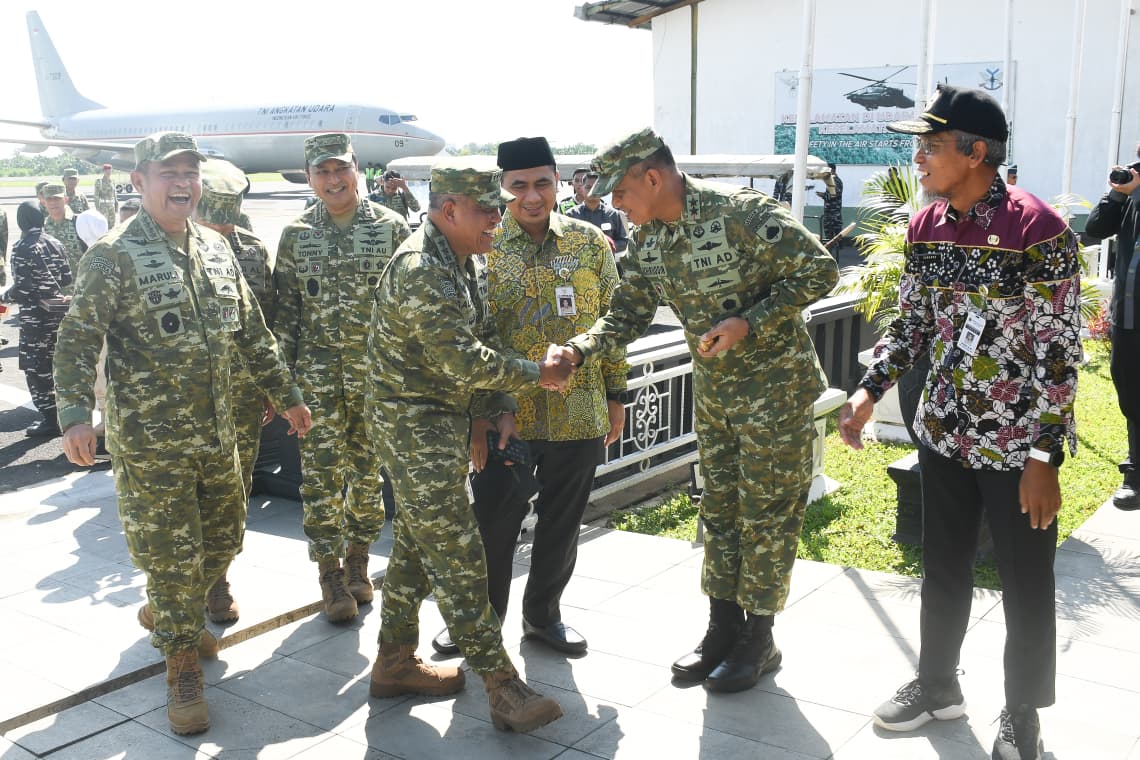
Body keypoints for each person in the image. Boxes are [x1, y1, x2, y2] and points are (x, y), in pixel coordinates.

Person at [836, 84, 1081, 760]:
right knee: (942, 566)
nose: (919, 157)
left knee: (1025, 581)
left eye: (932, 145)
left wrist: (1044, 457)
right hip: (944, 429)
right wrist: (868, 391)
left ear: (975, 153)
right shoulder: (926, 226)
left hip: (1017, 444)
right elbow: (913, 323)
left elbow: (1060, 352)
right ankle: (938, 685)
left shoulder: (1039, 231)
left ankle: (1023, 713)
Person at [555, 127, 838, 694]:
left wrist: (749, 322)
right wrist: (578, 350)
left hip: (775, 392)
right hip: (716, 396)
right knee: (720, 510)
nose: (613, 204)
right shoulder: (649, 238)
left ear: (652, 177)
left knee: (766, 514)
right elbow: (628, 312)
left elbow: (820, 270)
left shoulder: (740, 213)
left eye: (619, 191)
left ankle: (759, 639)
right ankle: (722, 628)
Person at [52, 131, 312, 736]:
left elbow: (252, 332)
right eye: (167, 173)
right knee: (172, 556)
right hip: (153, 444)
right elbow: (77, 337)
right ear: (139, 182)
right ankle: (181, 664)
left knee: (224, 540)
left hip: (221, 434)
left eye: (190, 172)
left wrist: (287, 393)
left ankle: (171, 613)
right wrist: (74, 415)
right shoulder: (113, 255)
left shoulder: (217, 249)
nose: (182, 184)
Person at [366, 156, 570, 733]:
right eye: (487, 211)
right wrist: (536, 375)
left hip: (442, 416)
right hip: (410, 424)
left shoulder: (465, 259)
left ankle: (394, 660)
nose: (498, 221)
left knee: (417, 541)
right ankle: (502, 686)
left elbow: (483, 334)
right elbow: (461, 358)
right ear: (450, 209)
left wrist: (497, 407)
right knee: (458, 552)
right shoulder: (421, 268)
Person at [429, 137, 627, 659]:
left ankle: (543, 617)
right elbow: (469, 338)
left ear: (559, 182)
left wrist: (616, 394)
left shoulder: (589, 243)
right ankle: (480, 622)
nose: (532, 196)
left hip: (579, 412)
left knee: (562, 527)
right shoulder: (483, 245)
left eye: (542, 183)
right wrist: (480, 416)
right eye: (518, 186)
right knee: (494, 524)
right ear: (502, 189)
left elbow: (614, 323)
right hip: (506, 419)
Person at [274, 133, 411, 623]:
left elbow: (407, 307)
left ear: (357, 170)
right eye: (322, 172)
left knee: (367, 473)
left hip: (375, 378)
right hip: (316, 383)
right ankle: (329, 572)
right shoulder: (296, 235)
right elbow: (286, 316)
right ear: (309, 177)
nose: (333, 180)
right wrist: (284, 389)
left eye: (340, 169)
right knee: (320, 476)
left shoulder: (392, 228)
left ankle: (358, 560)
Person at [193, 159, 277, 623]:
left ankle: (218, 579)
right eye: (213, 223)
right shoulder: (169, 250)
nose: (221, 232)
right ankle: (182, 585)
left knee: (234, 491)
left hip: (242, 395)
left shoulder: (252, 251)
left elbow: (266, 323)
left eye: (227, 223)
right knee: (190, 491)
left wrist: (269, 387)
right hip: (186, 397)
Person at [1083, 141, 1140, 511]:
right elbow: (1094, 230)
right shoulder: (1131, 193)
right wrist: (1117, 195)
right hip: (1129, 314)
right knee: (1131, 391)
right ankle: (1136, 472)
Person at [9, 202, 71, 437]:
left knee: (36, 368)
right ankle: (64, 414)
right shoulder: (56, 243)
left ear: (21, 222)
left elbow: (22, 289)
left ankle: (49, 419)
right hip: (57, 311)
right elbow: (66, 278)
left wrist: (4, 297)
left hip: (35, 317)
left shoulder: (22, 247)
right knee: (57, 364)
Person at [567, 171, 629, 252]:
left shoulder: (613, 214)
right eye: (588, 187)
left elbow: (623, 242)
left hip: (607, 258)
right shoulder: (571, 215)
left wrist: (607, 245)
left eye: (596, 187)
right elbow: (565, 242)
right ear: (582, 189)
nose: (592, 191)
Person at [41, 183, 86, 283]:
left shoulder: (79, 222)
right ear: (44, 202)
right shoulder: (42, 228)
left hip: (78, 287)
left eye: (57, 198)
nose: (53, 202)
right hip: (53, 289)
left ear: (66, 200)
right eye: (49, 199)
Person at [816, 162, 844, 244]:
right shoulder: (833, 180)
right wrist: (824, 195)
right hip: (831, 213)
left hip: (833, 214)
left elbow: (834, 195)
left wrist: (823, 195)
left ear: (831, 170)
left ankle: (835, 249)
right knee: (831, 236)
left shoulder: (835, 181)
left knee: (833, 236)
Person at [93, 163, 119, 228]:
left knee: (112, 225)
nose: (108, 173)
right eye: (107, 171)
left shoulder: (112, 181)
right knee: (103, 225)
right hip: (103, 207)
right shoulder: (99, 182)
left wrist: (116, 206)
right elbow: (96, 196)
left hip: (112, 207)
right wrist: (97, 209)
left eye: (110, 171)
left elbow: (114, 195)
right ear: (104, 171)